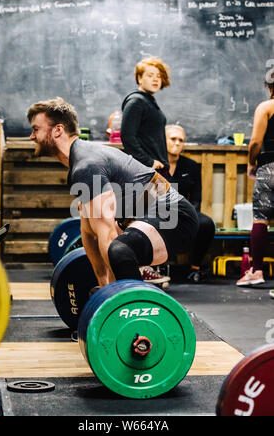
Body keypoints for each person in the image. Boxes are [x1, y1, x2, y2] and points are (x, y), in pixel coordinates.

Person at [27, 98, 199, 288]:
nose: (31, 136)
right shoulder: (80, 164)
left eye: (36, 129)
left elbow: (108, 236)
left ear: (58, 130)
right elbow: (89, 233)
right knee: (113, 247)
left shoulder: (87, 164)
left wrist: (113, 294)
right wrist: (103, 286)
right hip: (145, 213)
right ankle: (127, 290)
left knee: (119, 250)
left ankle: (133, 305)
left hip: (175, 215)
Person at [120, 57, 171, 283]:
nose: (155, 79)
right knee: (144, 220)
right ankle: (141, 269)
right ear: (139, 78)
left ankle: (144, 268)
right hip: (144, 172)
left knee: (152, 219)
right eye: (150, 75)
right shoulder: (137, 101)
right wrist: (148, 162)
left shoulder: (149, 101)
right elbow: (127, 137)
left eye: (158, 76)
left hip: (155, 172)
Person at [163, 125, 215, 282]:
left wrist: (188, 213)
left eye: (181, 140)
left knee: (206, 223)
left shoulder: (191, 166)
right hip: (160, 212)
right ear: (163, 140)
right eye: (173, 139)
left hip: (185, 211)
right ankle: (155, 267)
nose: (177, 143)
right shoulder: (157, 165)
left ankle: (195, 268)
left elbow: (196, 198)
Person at [237, 74, 274, 288]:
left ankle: (256, 270)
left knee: (260, 219)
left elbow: (255, 142)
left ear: (269, 87)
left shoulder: (266, 107)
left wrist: (252, 162)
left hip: (269, 168)